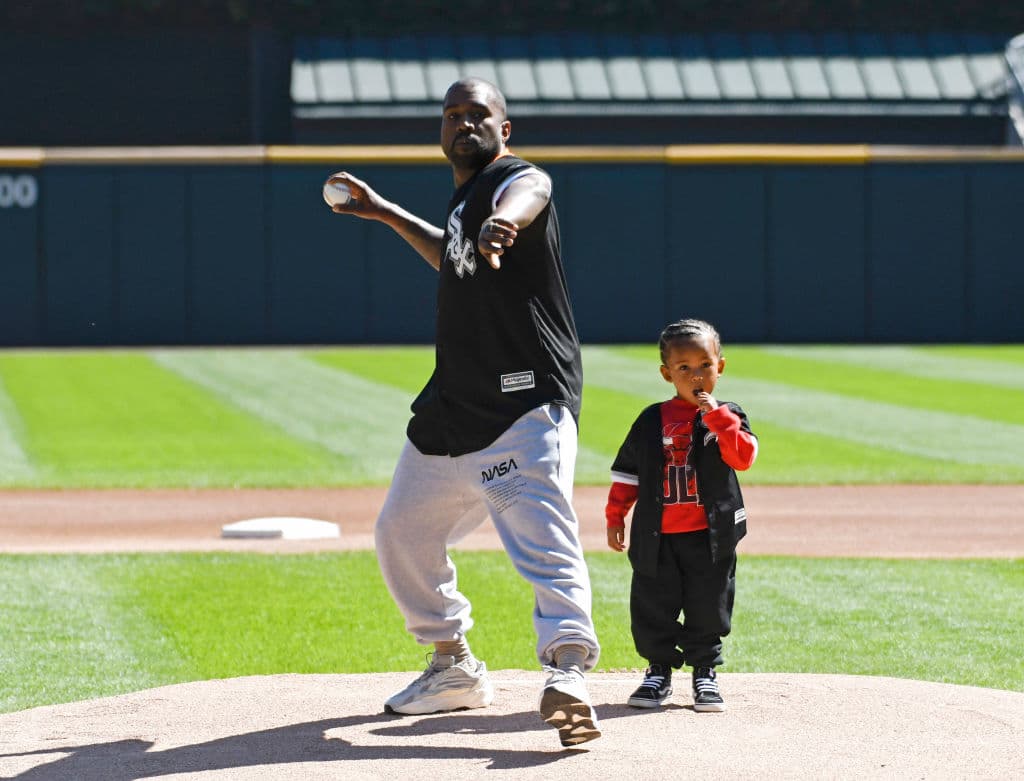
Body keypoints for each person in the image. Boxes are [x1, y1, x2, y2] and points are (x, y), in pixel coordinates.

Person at [324, 77, 601, 747]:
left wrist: (507, 220)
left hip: (522, 403)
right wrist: (387, 212)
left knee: (543, 540)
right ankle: (452, 665)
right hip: (454, 405)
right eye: (452, 114)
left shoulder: (515, 180)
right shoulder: (463, 200)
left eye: (478, 114)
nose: (463, 123)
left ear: (505, 129)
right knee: (402, 531)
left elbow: (530, 194)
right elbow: (453, 260)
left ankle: (567, 671)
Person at [605, 318, 757, 712]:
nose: (696, 376)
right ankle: (658, 671)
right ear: (666, 373)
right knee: (653, 605)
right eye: (684, 368)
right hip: (657, 537)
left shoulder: (729, 415)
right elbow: (628, 474)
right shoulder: (651, 419)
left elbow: (743, 457)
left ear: (720, 366)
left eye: (705, 366)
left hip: (710, 536)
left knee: (709, 604)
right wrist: (615, 516)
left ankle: (705, 672)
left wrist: (717, 417)